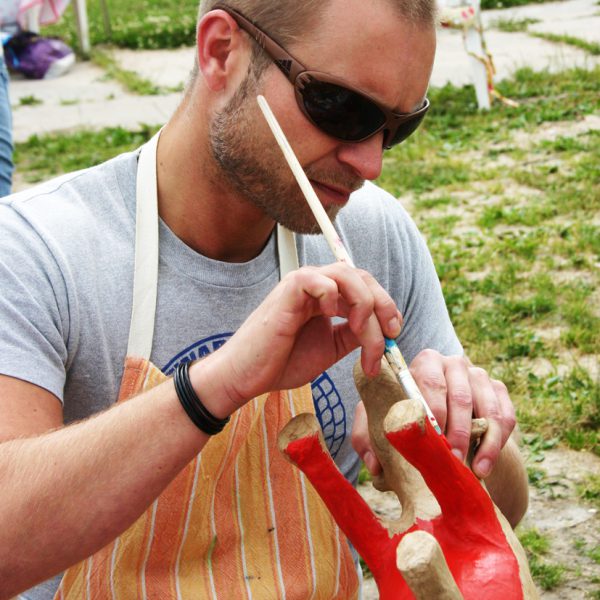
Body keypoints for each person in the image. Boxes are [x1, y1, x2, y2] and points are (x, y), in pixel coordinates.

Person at [0, 0, 529, 598]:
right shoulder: (35, 252)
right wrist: (216, 387)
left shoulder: (370, 236)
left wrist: (464, 428)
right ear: (222, 50)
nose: (371, 162)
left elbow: (504, 513)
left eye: (399, 126)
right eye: (341, 107)